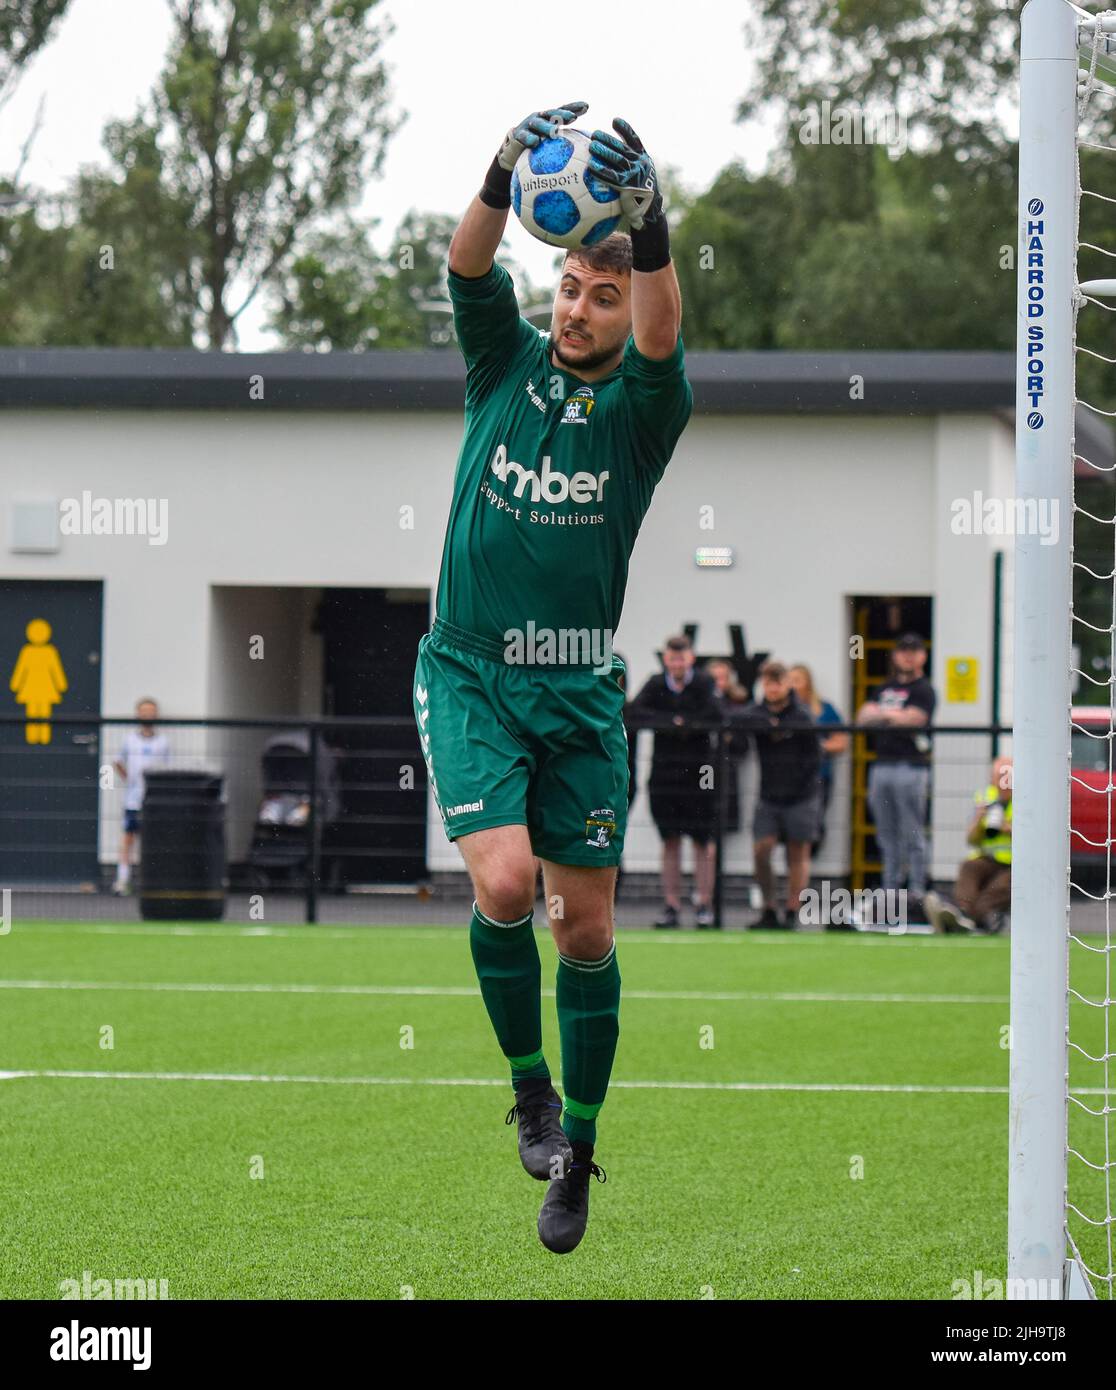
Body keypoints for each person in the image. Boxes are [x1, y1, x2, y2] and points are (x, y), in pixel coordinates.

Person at [411, 103, 691, 1255]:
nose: (577, 308)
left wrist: (657, 225)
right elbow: (465, 263)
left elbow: (671, 335)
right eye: (571, 286)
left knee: (583, 929)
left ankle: (574, 1147)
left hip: (577, 690)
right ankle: (526, 1090)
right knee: (510, 880)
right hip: (471, 673)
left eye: (602, 295)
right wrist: (495, 167)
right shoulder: (504, 362)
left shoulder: (642, 412)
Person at [627, 636, 721, 929]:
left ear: (690, 659)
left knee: (702, 841)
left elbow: (715, 714)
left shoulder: (704, 683)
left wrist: (684, 723)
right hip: (665, 775)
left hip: (700, 775)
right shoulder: (655, 683)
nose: (676, 664)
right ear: (666, 660)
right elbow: (635, 712)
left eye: (681, 658)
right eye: (672, 659)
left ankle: (704, 903)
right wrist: (672, 721)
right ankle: (671, 905)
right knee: (670, 841)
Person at [731, 661, 822, 928]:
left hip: (802, 794)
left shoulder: (802, 715)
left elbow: (815, 757)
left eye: (777, 683)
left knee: (798, 853)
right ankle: (769, 908)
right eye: (767, 683)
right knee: (762, 850)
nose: (772, 689)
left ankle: (793, 911)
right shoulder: (757, 713)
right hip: (769, 795)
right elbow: (736, 721)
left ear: (787, 685)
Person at [856, 633, 936, 925]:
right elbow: (863, 716)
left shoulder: (924, 689)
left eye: (914, 651)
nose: (908, 656)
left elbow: (915, 719)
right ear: (895, 655)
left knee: (912, 829)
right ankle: (890, 890)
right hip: (882, 765)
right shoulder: (884, 687)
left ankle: (916, 890)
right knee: (886, 832)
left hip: (911, 766)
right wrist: (895, 716)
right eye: (903, 651)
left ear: (922, 656)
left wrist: (884, 715)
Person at [925, 756, 1012, 934]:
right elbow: (971, 840)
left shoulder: (1029, 800)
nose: (1002, 783)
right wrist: (979, 820)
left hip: (1016, 864)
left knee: (998, 889)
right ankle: (961, 912)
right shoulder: (985, 797)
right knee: (969, 867)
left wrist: (1008, 828)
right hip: (989, 860)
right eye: (998, 777)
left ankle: (967, 920)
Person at [112, 697, 170, 895]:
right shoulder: (130, 740)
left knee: (154, 841)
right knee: (128, 838)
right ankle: (122, 880)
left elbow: (167, 767)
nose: (147, 715)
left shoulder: (163, 742)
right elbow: (117, 761)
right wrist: (129, 779)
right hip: (133, 799)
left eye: (151, 711)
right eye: (144, 711)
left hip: (154, 799)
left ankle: (152, 881)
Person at [788, 664, 847, 852]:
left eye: (797, 680)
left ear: (808, 683)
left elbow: (841, 742)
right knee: (791, 826)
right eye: (789, 681)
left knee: (813, 824)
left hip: (818, 776)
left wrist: (817, 747)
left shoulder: (824, 709)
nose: (793, 685)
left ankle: (807, 869)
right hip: (790, 777)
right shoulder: (784, 710)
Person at [706, 658, 748, 836]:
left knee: (721, 819)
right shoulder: (699, 704)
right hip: (703, 769)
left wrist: (729, 736)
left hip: (726, 771)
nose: (719, 683)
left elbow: (743, 745)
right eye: (714, 678)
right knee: (703, 817)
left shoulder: (737, 707)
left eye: (723, 678)